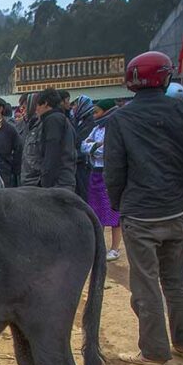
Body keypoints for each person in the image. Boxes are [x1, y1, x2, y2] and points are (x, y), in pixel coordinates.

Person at [105, 51, 183, 365]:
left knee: (146, 283)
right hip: (177, 211)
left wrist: (119, 205)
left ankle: (154, 351)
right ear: (166, 77)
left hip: (140, 214)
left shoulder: (121, 119)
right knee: (175, 279)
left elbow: (113, 170)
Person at [81, 99, 122, 261]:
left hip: (109, 174)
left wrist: (93, 147)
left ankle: (115, 248)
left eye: (97, 112)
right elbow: (83, 146)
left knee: (112, 212)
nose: (94, 115)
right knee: (97, 211)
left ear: (107, 111)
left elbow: (108, 150)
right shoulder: (96, 129)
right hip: (95, 173)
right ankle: (100, 246)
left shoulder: (115, 129)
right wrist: (95, 146)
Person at [21, 88, 76, 190]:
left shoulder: (53, 120)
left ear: (45, 103)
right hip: (58, 182)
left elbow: (52, 152)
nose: (36, 109)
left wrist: (45, 182)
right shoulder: (56, 119)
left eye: (37, 105)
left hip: (57, 184)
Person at [72, 95, 97, 200]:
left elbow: (82, 141)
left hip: (85, 163)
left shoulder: (90, 122)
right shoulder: (77, 121)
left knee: (85, 194)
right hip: (78, 162)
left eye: (76, 104)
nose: (73, 107)